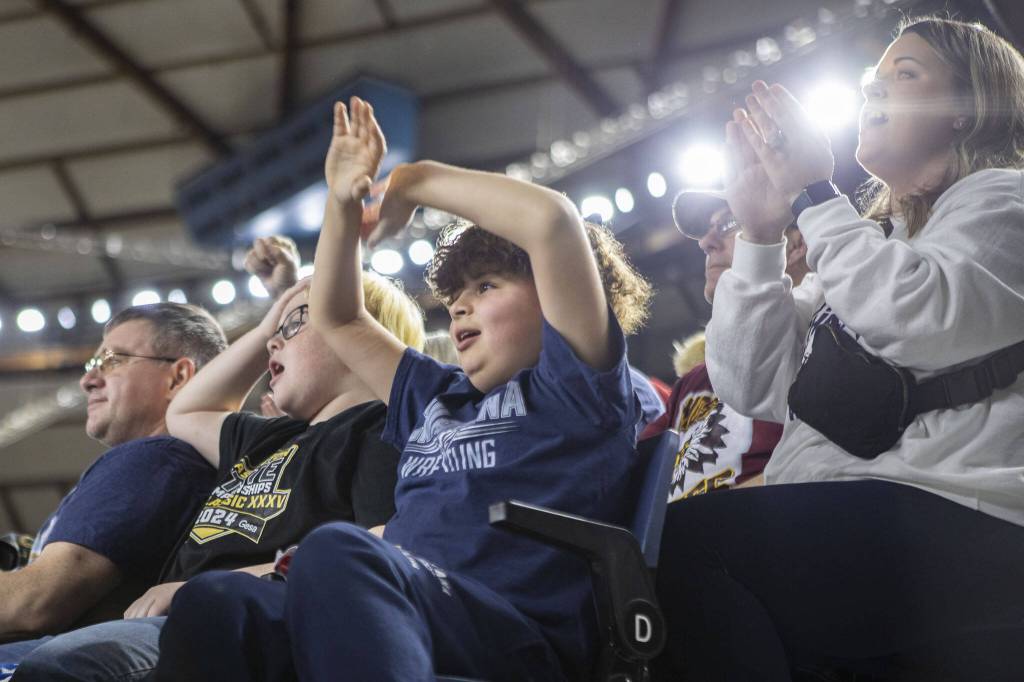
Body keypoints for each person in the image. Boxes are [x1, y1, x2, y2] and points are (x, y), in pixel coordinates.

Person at [145, 95, 658, 682]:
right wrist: (342, 204)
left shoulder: (580, 388)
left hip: (514, 634)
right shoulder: (435, 398)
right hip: (399, 610)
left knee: (339, 550)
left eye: (487, 285)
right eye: (454, 296)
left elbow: (551, 222)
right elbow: (337, 317)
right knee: (218, 602)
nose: (460, 305)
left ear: (559, 295)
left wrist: (411, 182)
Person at [656, 16, 1024, 681]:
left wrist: (816, 196)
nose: (873, 92)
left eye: (903, 76)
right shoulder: (872, 241)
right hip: (865, 521)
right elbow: (752, 381)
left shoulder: (1006, 200)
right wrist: (764, 236)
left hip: (968, 522)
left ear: (967, 108)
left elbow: (914, 314)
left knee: (696, 545)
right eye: (870, 81)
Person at [11, 238, 425, 681]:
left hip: (248, 618)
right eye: (274, 333)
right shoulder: (268, 438)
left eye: (295, 326)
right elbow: (184, 410)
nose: (272, 344)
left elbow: (380, 544)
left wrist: (212, 585)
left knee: (60, 668)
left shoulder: (379, 431)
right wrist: (274, 317)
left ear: (355, 333)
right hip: (180, 615)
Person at [0, 303, 225, 663]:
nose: (88, 379)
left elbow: (36, 602)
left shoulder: (156, 458)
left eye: (113, 359)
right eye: (92, 364)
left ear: (178, 377)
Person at [658, 190, 809, 499]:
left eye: (729, 223)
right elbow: (634, 484)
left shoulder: (829, 345)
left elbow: (835, 468)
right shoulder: (693, 381)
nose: (705, 242)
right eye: (707, 229)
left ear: (794, 244)